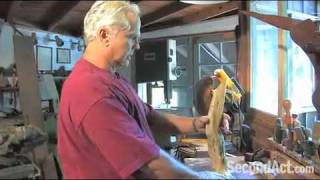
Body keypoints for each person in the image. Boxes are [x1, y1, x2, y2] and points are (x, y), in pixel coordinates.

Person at [57, 1, 230, 179]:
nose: (138, 46)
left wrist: (198, 124)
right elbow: (148, 164)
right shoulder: (90, 91)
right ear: (104, 35)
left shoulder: (111, 78)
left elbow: (150, 117)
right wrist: (201, 178)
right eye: (132, 37)